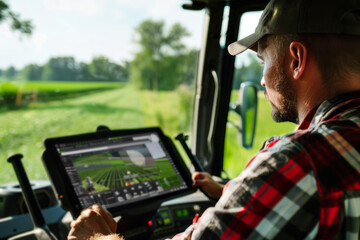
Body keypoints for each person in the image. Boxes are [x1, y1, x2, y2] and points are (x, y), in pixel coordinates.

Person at [68, 0, 360, 239]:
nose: (262, 79)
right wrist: (238, 191)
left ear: (296, 60)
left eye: (264, 61)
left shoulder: (299, 162)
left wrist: (97, 239)